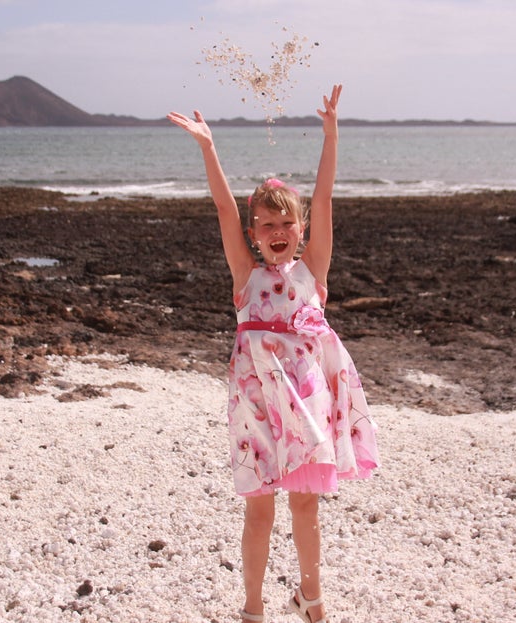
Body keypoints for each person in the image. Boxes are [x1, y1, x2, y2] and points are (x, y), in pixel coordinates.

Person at [167, 85, 379, 623]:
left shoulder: (312, 270)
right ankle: (253, 609)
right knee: (259, 510)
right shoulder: (245, 275)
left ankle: (312, 599)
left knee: (305, 503)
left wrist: (331, 135)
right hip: (255, 403)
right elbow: (222, 206)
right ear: (254, 233)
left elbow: (324, 199)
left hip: (305, 405)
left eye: (287, 224)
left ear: (301, 230)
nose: (278, 232)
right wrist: (208, 147)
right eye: (267, 225)